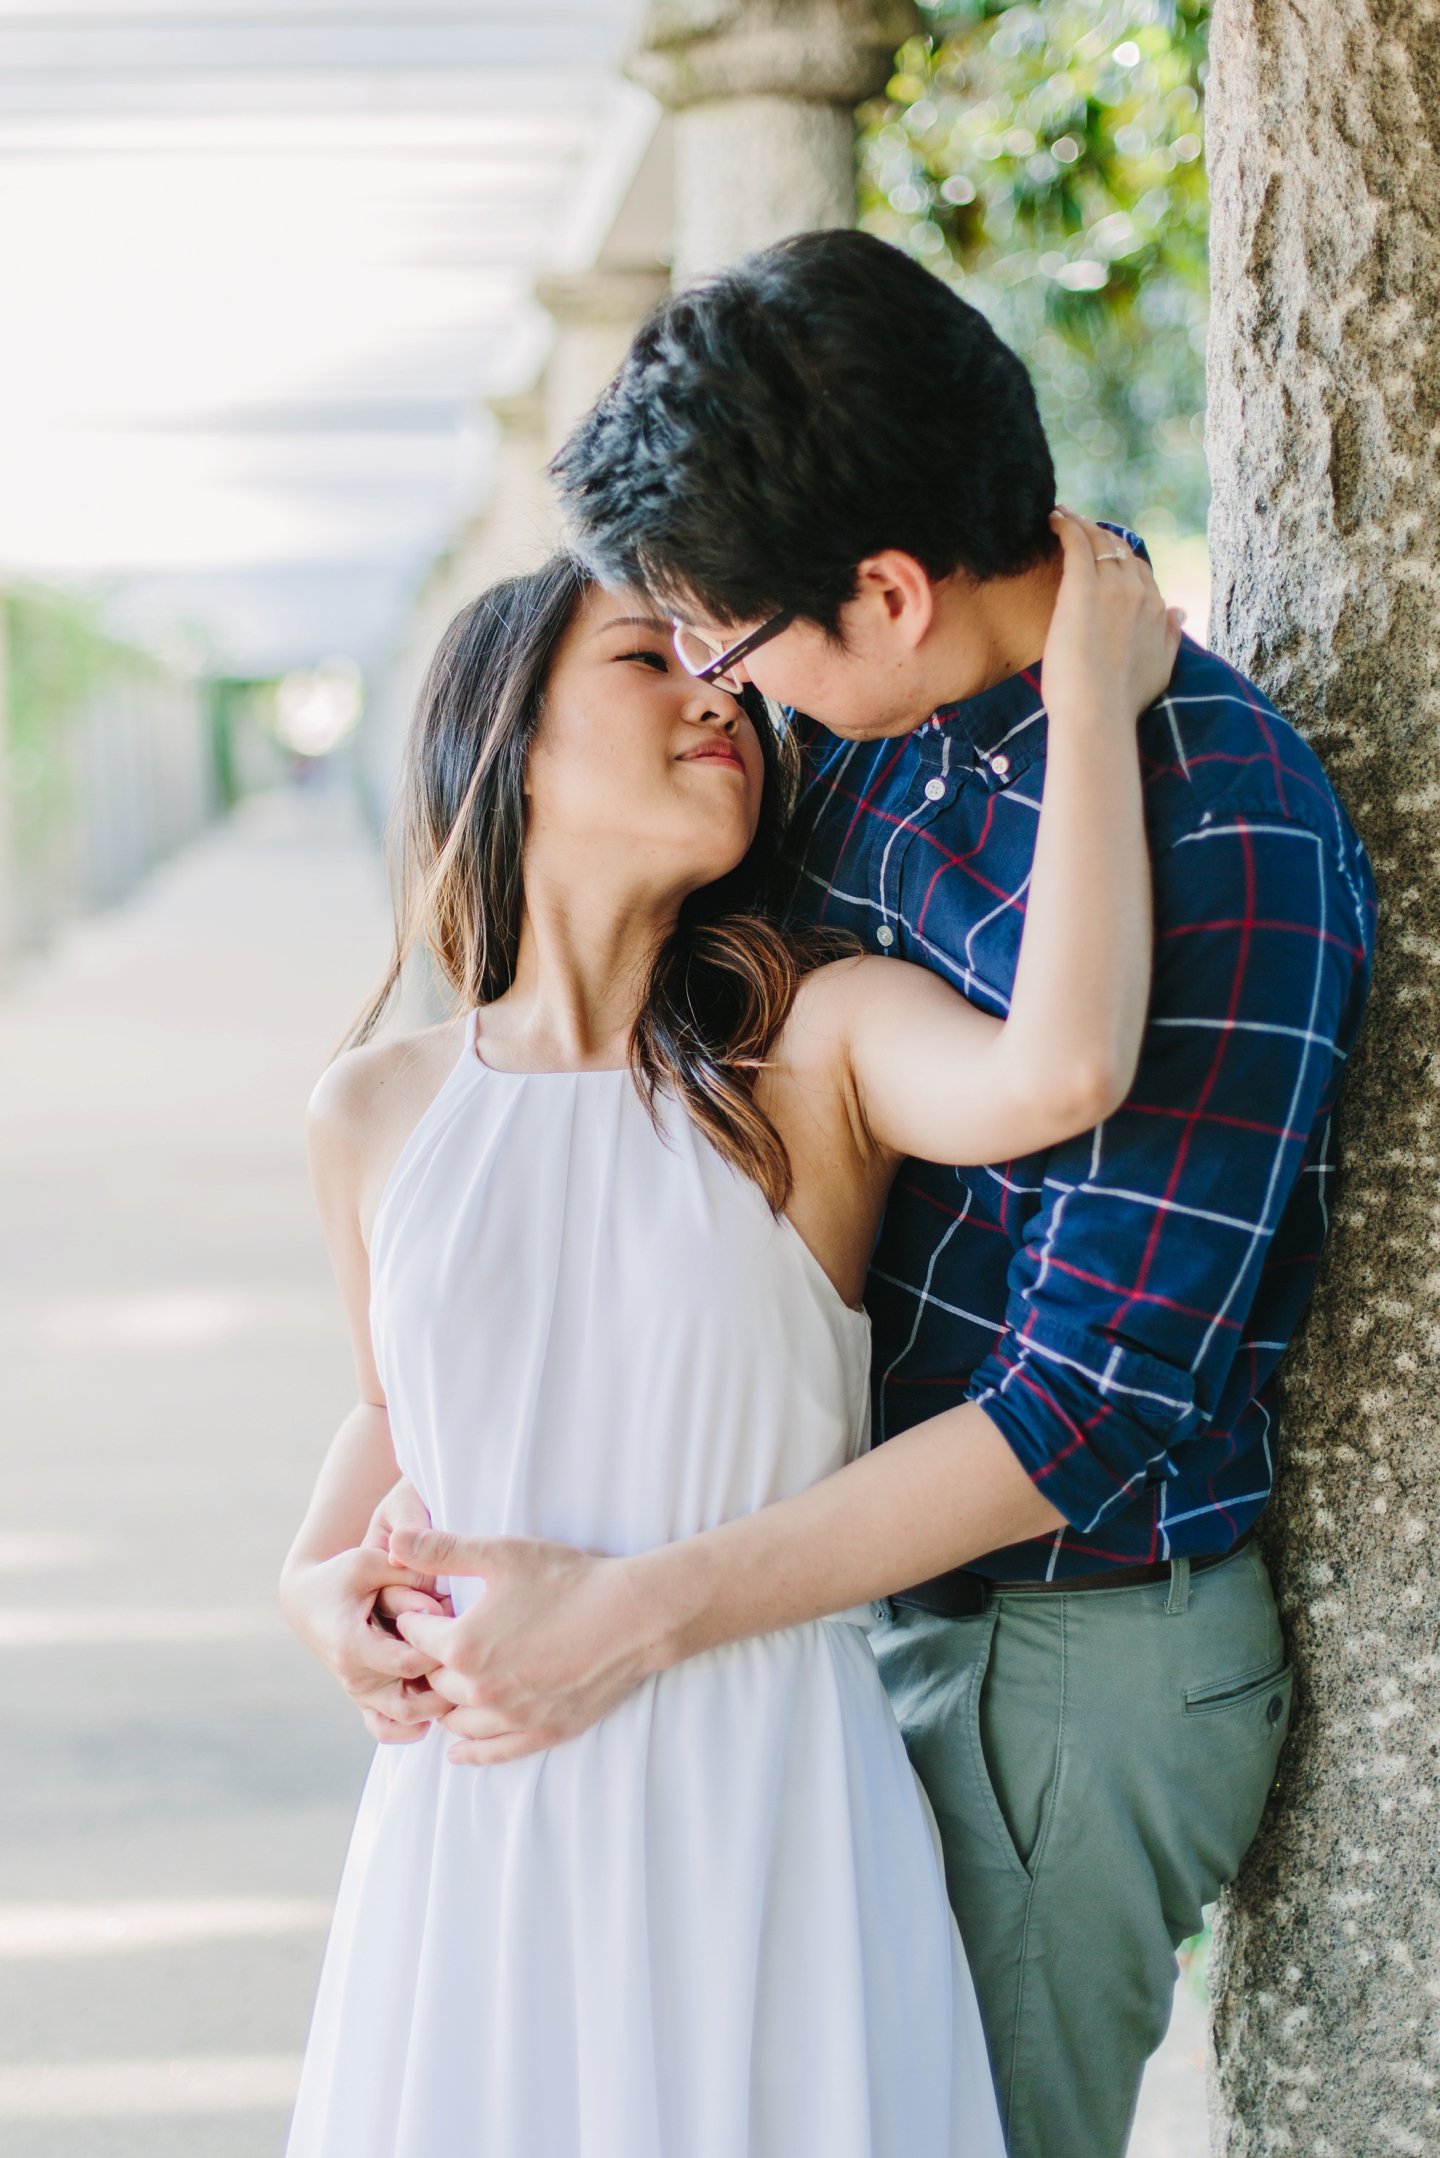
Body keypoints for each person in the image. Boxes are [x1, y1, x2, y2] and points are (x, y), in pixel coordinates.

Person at [299, 232, 1376, 2158]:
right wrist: (348, 1566)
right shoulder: (839, 758)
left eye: (723, 641)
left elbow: (1095, 1399)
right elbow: (496, 1320)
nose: (716, 691)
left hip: (1053, 1643)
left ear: (882, 591)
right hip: (801, 1619)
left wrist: (638, 1611)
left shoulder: (1214, 819)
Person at [279, 513, 1179, 2155]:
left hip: (756, 1792)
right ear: (507, 743)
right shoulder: (376, 1109)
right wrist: (314, 1577)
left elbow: (1060, 1074)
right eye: (650, 658)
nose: (719, 698)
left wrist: (1090, 709)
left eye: (731, 676)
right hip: (477, 1806)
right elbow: (400, 1410)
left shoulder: (812, 1039)